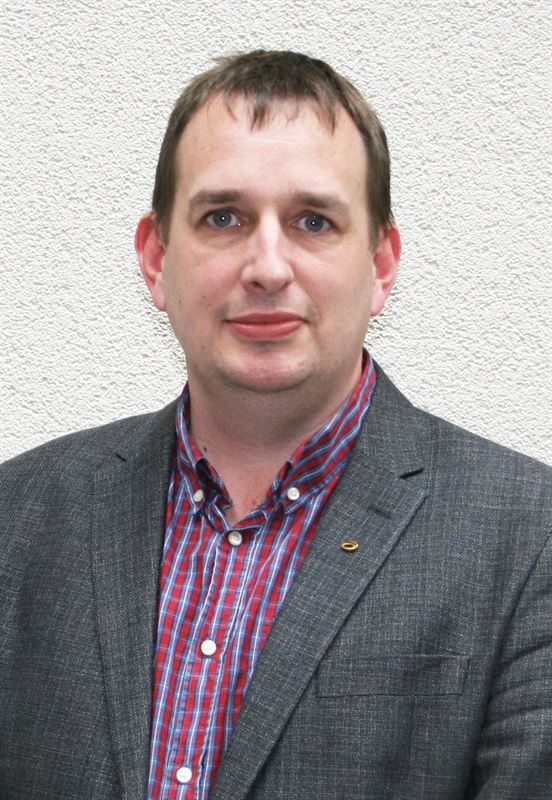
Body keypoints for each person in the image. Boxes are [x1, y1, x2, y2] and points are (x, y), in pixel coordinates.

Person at [1, 50, 551, 800]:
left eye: (313, 221)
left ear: (381, 265)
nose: (267, 266)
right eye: (223, 218)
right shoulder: (18, 515)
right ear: (157, 258)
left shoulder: (530, 539)